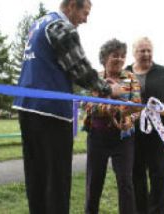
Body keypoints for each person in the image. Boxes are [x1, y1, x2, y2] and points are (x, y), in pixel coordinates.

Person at [12, 0, 119, 213]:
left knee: (36, 177)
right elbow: (79, 68)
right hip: (51, 112)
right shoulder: (60, 27)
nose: (85, 20)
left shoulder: (39, 24)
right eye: (85, 13)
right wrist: (107, 90)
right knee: (57, 179)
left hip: (26, 108)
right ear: (71, 5)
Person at [84, 38, 141, 214]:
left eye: (123, 56)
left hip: (123, 139)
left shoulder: (131, 78)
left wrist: (127, 120)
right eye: (115, 56)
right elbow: (89, 106)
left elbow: (138, 106)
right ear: (105, 57)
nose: (119, 59)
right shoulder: (95, 79)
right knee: (94, 183)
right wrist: (107, 108)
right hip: (97, 137)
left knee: (126, 183)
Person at [126, 37, 164, 214]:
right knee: (137, 175)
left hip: (159, 134)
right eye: (142, 50)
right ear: (134, 52)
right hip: (133, 134)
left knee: (158, 175)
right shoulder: (125, 73)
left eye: (149, 50)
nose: (146, 54)